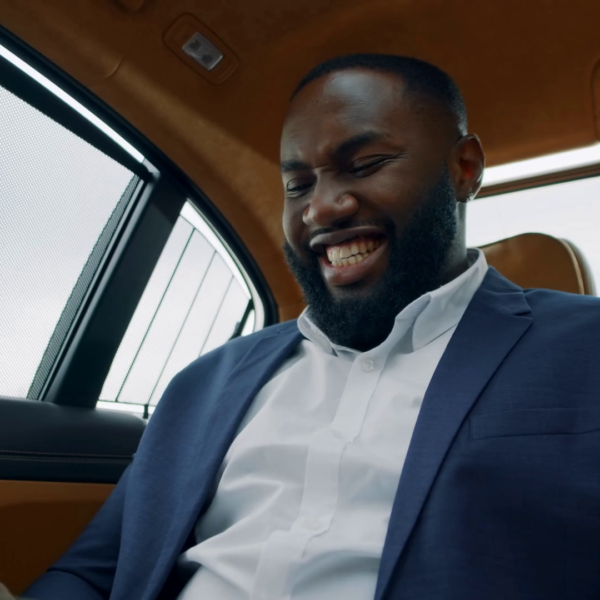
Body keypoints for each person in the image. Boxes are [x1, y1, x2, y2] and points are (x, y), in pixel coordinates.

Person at [16, 54, 600, 600]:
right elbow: (95, 574)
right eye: (297, 185)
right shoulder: (204, 382)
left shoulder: (584, 347)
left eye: (365, 164)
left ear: (464, 168)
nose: (320, 209)